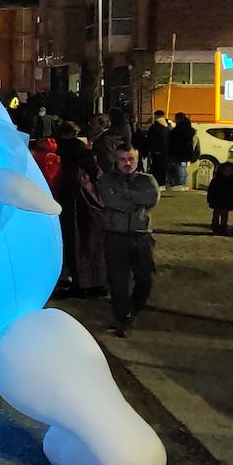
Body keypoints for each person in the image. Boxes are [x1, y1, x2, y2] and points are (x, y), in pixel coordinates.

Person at [99, 144, 160, 337]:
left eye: (131, 159)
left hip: (141, 235)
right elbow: (110, 201)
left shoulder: (147, 180)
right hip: (114, 235)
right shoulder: (107, 179)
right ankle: (122, 318)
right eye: (122, 159)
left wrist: (124, 195)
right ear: (115, 161)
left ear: (137, 159)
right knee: (117, 281)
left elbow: (152, 198)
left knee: (145, 279)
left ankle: (133, 308)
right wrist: (136, 200)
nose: (127, 163)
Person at [54, 122, 106, 296]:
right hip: (84, 196)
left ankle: (77, 279)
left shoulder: (59, 148)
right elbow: (94, 169)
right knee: (89, 238)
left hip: (68, 194)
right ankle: (91, 282)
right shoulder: (79, 148)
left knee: (72, 238)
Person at [206, 160, 233, 234]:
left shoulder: (232, 180)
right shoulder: (217, 180)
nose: (228, 172)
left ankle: (223, 227)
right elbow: (211, 190)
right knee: (217, 213)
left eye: (230, 170)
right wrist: (210, 199)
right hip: (218, 201)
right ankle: (215, 226)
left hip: (226, 202)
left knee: (224, 215)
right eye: (226, 170)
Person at [166, 112, 199, 190]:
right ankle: (183, 183)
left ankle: (180, 183)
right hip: (186, 151)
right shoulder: (189, 128)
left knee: (179, 167)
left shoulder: (179, 129)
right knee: (183, 167)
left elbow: (174, 139)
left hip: (179, 151)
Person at [91, 108, 128, 173]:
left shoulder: (103, 140)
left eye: (94, 123)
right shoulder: (113, 137)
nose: (91, 126)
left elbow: (109, 160)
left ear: (102, 124)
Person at [144, 110, 171, 178]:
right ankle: (162, 182)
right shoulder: (168, 127)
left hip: (156, 151)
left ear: (156, 116)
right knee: (163, 168)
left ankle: (158, 183)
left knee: (156, 168)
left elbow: (150, 139)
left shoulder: (154, 127)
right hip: (166, 151)